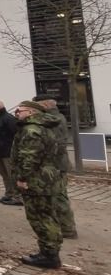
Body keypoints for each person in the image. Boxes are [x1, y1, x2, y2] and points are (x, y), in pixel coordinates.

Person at [12, 100, 64, 268]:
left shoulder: (31, 130)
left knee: (40, 217)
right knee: (48, 216)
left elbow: (29, 157)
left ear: (31, 112)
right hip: (46, 177)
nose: (17, 113)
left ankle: (49, 255)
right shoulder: (46, 126)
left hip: (36, 180)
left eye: (20, 111)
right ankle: (50, 251)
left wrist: (22, 178)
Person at [33, 94, 78, 239]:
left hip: (56, 165)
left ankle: (67, 228)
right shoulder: (53, 117)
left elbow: (58, 144)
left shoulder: (53, 119)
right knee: (56, 196)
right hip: (54, 164)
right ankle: (62, 225)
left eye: (37, 105)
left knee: (59, 196)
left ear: (45, 105)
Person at [0, 100, 20, 206]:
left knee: (12, 174)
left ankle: (17, 196)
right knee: (4, 174)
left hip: (8, 152)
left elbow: (17, 134)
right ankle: (9, 194)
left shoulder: (8, 118)